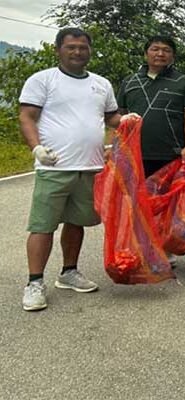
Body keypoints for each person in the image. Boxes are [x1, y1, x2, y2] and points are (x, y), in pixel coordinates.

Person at [18, 28, 122, 311]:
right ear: (58, 49)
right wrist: (36, 148)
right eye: (71, 47)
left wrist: (128, 121)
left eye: (82, 47)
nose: (77, 52)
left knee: (76, 222)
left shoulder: (101, 84)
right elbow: (27, 116)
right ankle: (35, 282)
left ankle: (69, 272)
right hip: (54, 166)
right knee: (43, 225)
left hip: (90, 167)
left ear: (90, 50)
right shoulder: (43, 80)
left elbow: (112, 117)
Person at [117, 35, 185, 178]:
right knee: (134, 199)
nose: (160, 54)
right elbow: (120, 117)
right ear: (146, 53)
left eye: (166, 50)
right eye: (155, 49)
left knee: (168, 199)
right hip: (134, 153)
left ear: (173, 56)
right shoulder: (129, 81)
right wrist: (116, 147)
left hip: (171, 154)